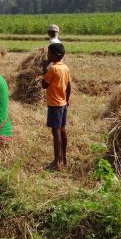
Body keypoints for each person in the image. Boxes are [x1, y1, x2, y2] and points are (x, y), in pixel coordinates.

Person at [42, 43, 71, 171]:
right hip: (63, 103)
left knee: (56, 132)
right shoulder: (65, 67)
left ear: (54, 55)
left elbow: (44, 84)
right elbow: (69, 86)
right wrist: (67, 100)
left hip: (54, 105)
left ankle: (56, 162)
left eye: (49, 53)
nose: (48, 55)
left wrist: (45, 68)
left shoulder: (52, 69)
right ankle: (64, 159)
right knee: (62, 129)